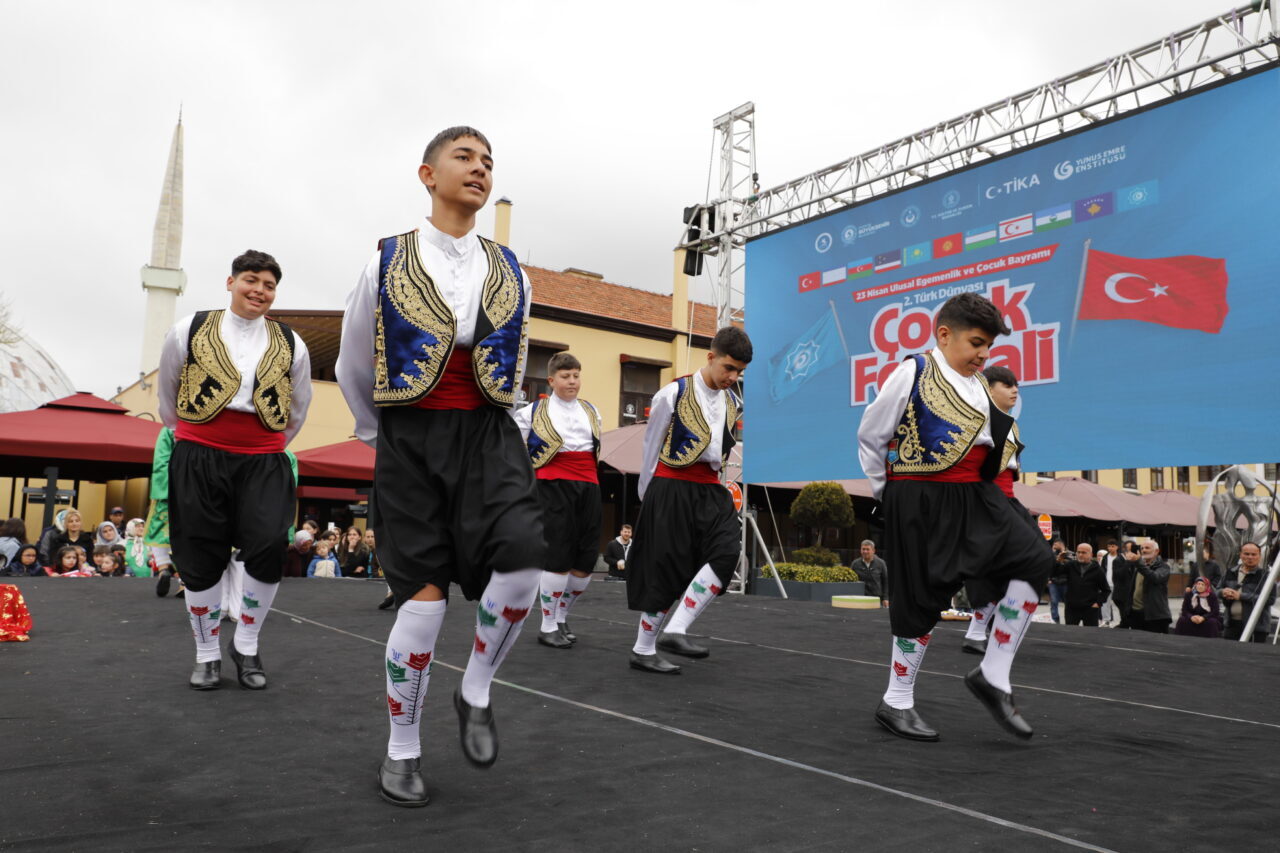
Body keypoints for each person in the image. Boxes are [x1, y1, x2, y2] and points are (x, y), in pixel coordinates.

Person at [335, 125, 545, 807]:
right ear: (427, 174)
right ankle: (402, 748)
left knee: (522, 563)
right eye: (465, 157)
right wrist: (382, 434)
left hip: (489, 430)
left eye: (488, 161)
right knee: (422, 599)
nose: (479, 169)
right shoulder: (385, 260)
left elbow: (510, 364)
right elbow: (353, 363)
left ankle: (476, 686)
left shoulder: (513, 268)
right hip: (409, 434)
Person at [857, 292, 1051, 742]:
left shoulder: (981, 386)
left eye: (988, 347)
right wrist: (888, 496)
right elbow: (871, 436)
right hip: (920, 495)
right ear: (944, 334)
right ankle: (897, 700)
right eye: (977, 343)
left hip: (975, 496)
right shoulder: (912, 372)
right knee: (920, 598)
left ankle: (993, 675)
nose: (983, 355)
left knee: (1035, 558)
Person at [158, 248, 313, 691]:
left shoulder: (292, 343)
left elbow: (299, 406)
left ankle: (246, 643)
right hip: (198, 452)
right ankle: (206, 654)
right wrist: (192, 438)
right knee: (200, 553)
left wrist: (267, 445)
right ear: (231, 283)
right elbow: (168, 394)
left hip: (264, 457)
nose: (259, 290)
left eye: (268, 285)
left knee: (267, 545)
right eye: (251, 280)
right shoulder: (188, 328)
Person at [625, 326, 751, 675]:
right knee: (665, 567)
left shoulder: (733, 402)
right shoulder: (672, 393)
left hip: (711, 488)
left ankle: (677, 628)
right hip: (671, 486)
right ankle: (643, 648)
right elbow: (651, 448)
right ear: (710, 357)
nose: (733, 376)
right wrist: (647, 497)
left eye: (739, 371)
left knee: (727, 552)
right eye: (728, 367)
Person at [511, 352, 603, 649]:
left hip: (589, 486)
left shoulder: (591, 411)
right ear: (552, 380)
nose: (572, 381)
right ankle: (547, 624)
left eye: (576, 375)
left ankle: (562, 616)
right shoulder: (531, 412)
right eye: (565, 376)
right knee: (557, 557)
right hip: (551, 486)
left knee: (585, 562)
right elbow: (513, 455)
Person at [962, 363, 1039, 653]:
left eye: (1016, 385)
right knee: (999, 566)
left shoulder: (1010, 424)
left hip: (1008, 501)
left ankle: (984, 630)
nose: (1014, 390)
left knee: (1032, 561)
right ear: (988, 388)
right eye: (1006, 385)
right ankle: (981, 631)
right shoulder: (976, 419)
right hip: (988, 501)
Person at [1220, 542, 1276, 642]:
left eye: (1253, 554)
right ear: (1240, 555)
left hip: (1256, 627)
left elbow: (1270, 599)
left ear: (1259, 556)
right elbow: (1217, 590)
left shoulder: (1266, 576)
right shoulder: (1230, 572)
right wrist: (1223, 592)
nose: (1250, 557)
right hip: (1231, 624)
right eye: (1246, 554)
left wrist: (1241, 596)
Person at [1116, 541, 1172, 633]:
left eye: (1147, 548)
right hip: (1136, 614)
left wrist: (1138, 562)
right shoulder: (1139, 565)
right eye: (1142, 548)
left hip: (1154, 616)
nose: (1144, 550)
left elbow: (1155, 578)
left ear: (1156, 551)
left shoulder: (1164, 567)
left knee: (1153, 645)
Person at [1062, 543, 1110, 627]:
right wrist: (1058, 560)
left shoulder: (1098, 570)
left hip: (1090, 609)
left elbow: (1106, 590)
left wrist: (1098, 603)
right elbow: (1054, 572)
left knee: (1090, 636)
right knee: (1070, 634)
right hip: (1072, 608)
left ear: (1091, 554)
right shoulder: (1071, 565)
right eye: (1078, 552)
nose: (1080, 555)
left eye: (1084, 552)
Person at [853, 540, 888, 607]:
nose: (865, 551)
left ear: (873, 551)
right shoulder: (855, 564)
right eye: (863, 549)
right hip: (860, 599)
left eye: (867, 549)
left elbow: (886, 581)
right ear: (860, 550)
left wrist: (885, 598)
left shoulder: (881, 563)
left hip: (877, 600)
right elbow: (851, 582)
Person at [1097, 540, 1122, 627]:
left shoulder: (1121, 557)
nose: (1110, 548)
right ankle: (1106, 620)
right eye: (1109, 546)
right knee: (1105, 603)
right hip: (1107, 583)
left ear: (1117, 547)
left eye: (1113, 546)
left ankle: (1123, 620)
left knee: (1120, 602)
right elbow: (1102, 570)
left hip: (1118, 584)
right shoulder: (1105, 557)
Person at [1048, 538, 1070, 624]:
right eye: (1054, 546)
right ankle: (1055, 619)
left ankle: (1068, 619)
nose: (1055, 547)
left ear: (1063, 546)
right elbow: (1049, 567)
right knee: (1054, 601)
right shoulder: (1051, 555)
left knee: (1067, 602)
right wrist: (1048, 579)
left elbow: (1070, 566)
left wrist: (1063, 554)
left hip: (1066, 582)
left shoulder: (1069, 554)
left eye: (1058, 546)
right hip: (1053, 582)